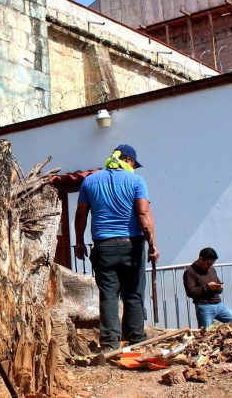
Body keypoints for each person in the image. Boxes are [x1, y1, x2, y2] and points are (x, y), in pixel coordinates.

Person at [74, 144, 159, 352]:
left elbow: (81, 215)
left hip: (104, 247)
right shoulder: (136, 181)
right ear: (128, 160)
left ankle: (110, 344)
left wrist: (79, 241)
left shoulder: (90, 181)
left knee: (109, 295)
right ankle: (136, 339)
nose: (134, 168)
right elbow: (143, 215)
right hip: (132, 244)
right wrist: (152, 245)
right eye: (134, 164)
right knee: (133, 293)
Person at [183, 247, 232, 329]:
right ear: (201, 259)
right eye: (208, 264)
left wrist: (218, 287)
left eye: (212, 264)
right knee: (206, 333)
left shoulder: (211, 268)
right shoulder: (189, 272)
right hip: (204, 306)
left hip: (219, 305)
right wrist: (207, 287)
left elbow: (219, 287)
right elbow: (190, 292)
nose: (210, 266)